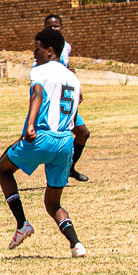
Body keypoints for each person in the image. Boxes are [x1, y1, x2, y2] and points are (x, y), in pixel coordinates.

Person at [0, 28, 86, 258]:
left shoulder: (40, 71)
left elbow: (37, 94)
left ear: (49, 51)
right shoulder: (73, 77)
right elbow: (77, 101)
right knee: (53, 203)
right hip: (65, 142)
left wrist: (30, 125)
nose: (33, 52)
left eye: (37, 47)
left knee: (3, 170)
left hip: (43, 138)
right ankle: (76, 244)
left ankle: (22, 224)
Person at [43, 12, 90, 181]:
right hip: (51, 99)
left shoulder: (66, 47)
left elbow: (65, 69)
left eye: (56, 26)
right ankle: (1, 169)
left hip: (65, 98)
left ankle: (70, 168)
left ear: (62, 28)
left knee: (83, 133)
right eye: (49, 27)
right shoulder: (42, 48)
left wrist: (76, 90)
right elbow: (40, 70)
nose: (53, 29)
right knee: (42, 139)